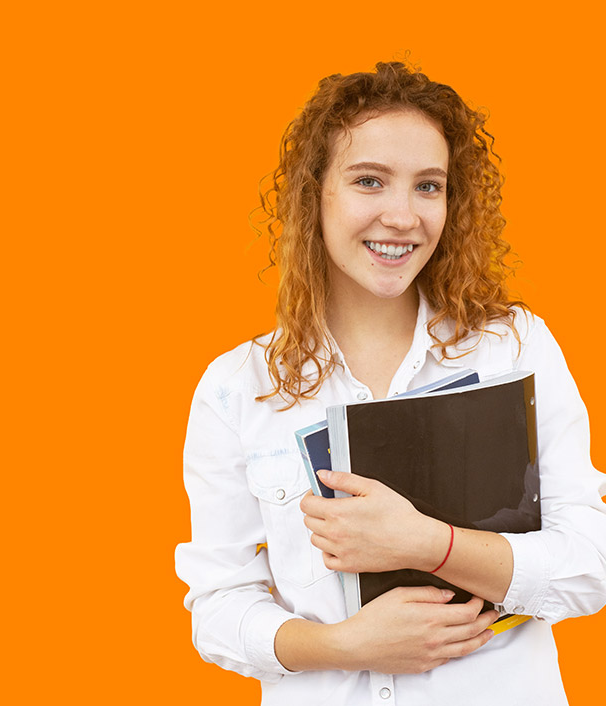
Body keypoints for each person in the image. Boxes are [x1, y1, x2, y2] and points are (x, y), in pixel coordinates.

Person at [174, 61, 606, 705]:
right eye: (369, 181)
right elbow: (218, 610)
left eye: (428, 187)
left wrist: (428, 543)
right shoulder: (238, 388)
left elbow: (591, 563)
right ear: (314, 193)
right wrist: (348, 646)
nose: (402, 216)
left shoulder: (512, 346)